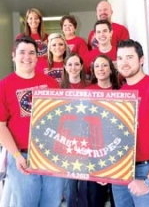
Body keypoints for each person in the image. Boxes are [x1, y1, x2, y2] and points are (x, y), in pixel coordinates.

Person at [0, 36, 67, 207]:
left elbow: (62, 118)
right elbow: (0, 127)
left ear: (37, 57)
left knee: (52, 203)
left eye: (31, 53)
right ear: (13, 56)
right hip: (22, 157)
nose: (27, 57)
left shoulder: (50, 82)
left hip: (51, 155)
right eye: (22, 52)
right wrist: (16, 155)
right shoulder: (4, 86)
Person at [112, 39, 149, 207]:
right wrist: (103, 172)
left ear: (141, 60)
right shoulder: (120, 93)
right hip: (120, 172)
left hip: (147, 171)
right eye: (120, 58)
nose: (124, 63)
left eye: (129, 57)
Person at [87, 55, 119, 207]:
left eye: (104, 65)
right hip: (94, 152)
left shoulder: (122, 91)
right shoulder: (87, 92)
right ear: (93, 71)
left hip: (117, 150)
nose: (101, 69)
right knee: (95, 198)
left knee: (117, 197)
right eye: (97, 66)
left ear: (111, 69)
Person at [60, 52, 88, 207]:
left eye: (77, 64)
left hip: (86, 138)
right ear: (65, 66)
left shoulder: (90, 86)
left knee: (84, 181)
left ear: (82, 66)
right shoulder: (57, 88)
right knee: (69, 181)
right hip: (66, 140)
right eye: (70, 64)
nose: (73, 67)